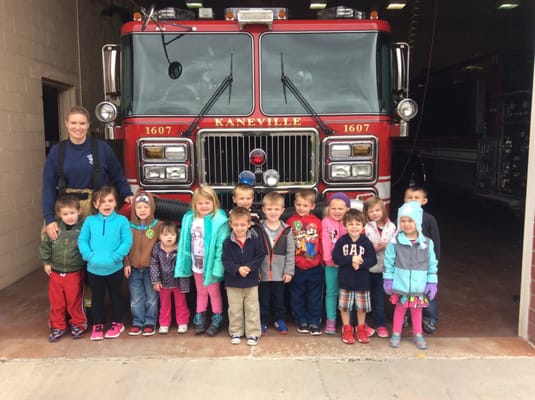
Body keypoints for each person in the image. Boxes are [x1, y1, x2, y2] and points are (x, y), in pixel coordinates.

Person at [42, 105, 133, 241]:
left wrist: (127, 194)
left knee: (97, 247)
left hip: (95, 207)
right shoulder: (57, 152)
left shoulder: (102, 148)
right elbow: (48, 186)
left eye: (82, 123)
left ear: (88, 125)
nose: (78, 127)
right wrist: (49, 218)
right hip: (66, 208)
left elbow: (117, 175)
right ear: (66, 123)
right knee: (58, 249)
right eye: (73, 123)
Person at [78, 186, 133, 341]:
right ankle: (98, 324)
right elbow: (82, 240)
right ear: (95, 204)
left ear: (116, 203)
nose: (106, 205)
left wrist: (117, 256)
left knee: (116, 296)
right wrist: (88, 255)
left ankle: (117, 323)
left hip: (115, 267)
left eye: (110, 201)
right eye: (102, 202)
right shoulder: (90, 221)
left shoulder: (122, 221)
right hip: (94, 268)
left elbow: (127, 241)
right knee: (97, 298)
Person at [174, 186, 229, 336]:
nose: (204, 206)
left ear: (214, 203)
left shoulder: (219, 221)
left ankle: (217, 318)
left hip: (210, 265)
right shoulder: (189, 219)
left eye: (207, 203)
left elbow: (220, 247)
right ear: (194, 205)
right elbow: (185, 241)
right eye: (200, 203)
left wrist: (217, 269)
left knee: (214, 292)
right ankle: (200, 317)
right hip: (196, 264)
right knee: (201, 292)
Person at [383, 201, 438, 350]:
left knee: (417, 310)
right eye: (403, 220)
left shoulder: (427, 243)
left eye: (410, 220)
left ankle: (418, 334)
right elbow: (388, 262)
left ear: (417, 222)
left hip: (418, 286)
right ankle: (396, 333)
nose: (406, 224)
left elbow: (432, 264)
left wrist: (432, 282)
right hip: (401, 285)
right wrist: (388, 279)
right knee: (400, 309)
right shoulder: (395, 242)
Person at [39, 194, 87, 342]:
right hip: (56, 272)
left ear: (79, 211)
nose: (69, 217)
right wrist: (46, 262)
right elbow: (45, 245)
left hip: (75, 272)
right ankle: (57, 326)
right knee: (57, 302)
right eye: (65, 214)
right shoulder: (54, 229)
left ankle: (78, 324)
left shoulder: (83, 229)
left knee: (75, 301)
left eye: (72, 213)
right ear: (59, 214)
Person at [222, 207, 266, 346]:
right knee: (234, 308)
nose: (239, 228)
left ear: (249, 224)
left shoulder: (254, 240)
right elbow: (225, 260)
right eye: (236, 225)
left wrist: (249, 267)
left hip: (251, 281)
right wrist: (237, 269)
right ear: (231, 225)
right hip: (233, 282)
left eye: (242, 225)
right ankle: (236, 332)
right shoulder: (227, 242)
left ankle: (253, 333)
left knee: (252, 307)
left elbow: (260, 255)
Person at [332, 209, 377, 344]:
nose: (354, 227)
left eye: (358, 224)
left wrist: (361, 263)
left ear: (363, 226)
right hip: (345, 281)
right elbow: (336, 258)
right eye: (351, 224)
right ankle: (347, 328)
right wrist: (351, 259)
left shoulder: (365, 242)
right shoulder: (342, 241)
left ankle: (361, 328)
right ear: (345, 225)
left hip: (362, 282)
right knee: (345, 307)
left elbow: (373, 260)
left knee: (361, 308)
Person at [255, 192, 295, 335]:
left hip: (280, 272)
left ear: (282, 211)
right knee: (263, 299)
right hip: (263, 272)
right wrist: (256, 270)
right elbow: (254, 252)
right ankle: (263, 320)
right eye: (269, 209)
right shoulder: (257, 229)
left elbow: (291, 251)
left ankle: (280, 319)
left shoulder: (287, 229)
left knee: (279, 299)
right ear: (264, 210)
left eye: (276, 209)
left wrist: (289, 271)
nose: (273, 212)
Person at [124, 190, 162, 336]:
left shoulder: (158, 226)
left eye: (146, 207)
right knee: (136, 298)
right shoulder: (128, 226)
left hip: (151, 270)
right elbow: (124, 246)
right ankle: (137, 322)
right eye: (139, 207)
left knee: (152, 298)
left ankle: (150, 322)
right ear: (134, 209)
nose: (142, 210)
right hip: (133, 269)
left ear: (152, 208)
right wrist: (126, 263)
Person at [404, 185, 441, 334]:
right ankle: (405, 316)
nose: (412, 200)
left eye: (416, 198)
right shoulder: (402, 218)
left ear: (424, 201)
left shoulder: (429, 219)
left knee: (426, 292)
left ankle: (430, 318)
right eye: (409, 197)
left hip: (424, 264)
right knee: (404, 291)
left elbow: (436, 242)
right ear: (404, 200)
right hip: (405, 264)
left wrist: (434, 263)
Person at [286, 189, 323, 335]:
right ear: (294, 204)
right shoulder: (290, 222)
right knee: (297, 295)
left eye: (305, 205)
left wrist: (324, 260)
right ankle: (301, 319)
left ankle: (314, 320)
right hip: (297, 266)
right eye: (299, 205)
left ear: (312, 206)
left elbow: (322, 243)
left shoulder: (318, 223)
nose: (301, 208)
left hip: (314, 265)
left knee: (314, 295)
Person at [364, 197, 397, 338]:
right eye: (371, 211)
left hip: (385, 268)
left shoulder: (392, 227)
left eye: (377, 210)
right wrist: (374, 248)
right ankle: (361, 323)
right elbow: (363, 246)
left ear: (383, 210)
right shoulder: (365, 228)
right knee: (364, 296)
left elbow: (396, 245)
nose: (374, 213)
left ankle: (380, 324)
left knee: (379, 297)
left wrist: (386, 246)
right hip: (368, 268)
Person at [150, 221, 191, 334]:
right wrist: (156, 281)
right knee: (164, 305)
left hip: (178, 283)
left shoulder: (180, 249)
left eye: (172, 234)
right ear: (159, 236)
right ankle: (164, 323)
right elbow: (154, 264)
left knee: (181, 303)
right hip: (163, 283)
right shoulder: (157, 248)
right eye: (165, 235)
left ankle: (182, 322)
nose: (169, 237)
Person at [321, 193, 350, 335]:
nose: (337, 212)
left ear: (347, 209)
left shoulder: (350, 222)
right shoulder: (326, 222)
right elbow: (325, 242)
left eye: (341, 208)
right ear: (328, 209)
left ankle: (348, 322)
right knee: (331, 292)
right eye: (334, 208)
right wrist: (329, 260)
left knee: (347, 292)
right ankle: (331, 320)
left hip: (347, 265)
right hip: (331, 264)